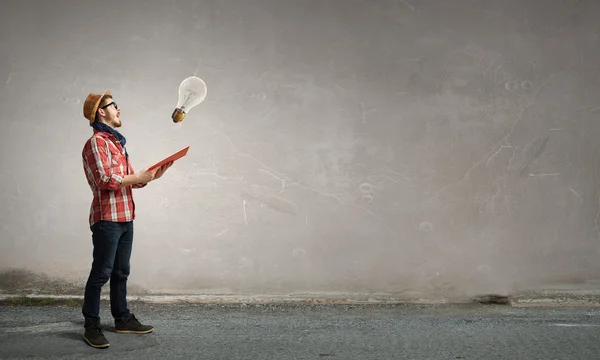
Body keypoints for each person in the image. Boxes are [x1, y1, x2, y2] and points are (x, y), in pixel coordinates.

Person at [80, 90, 173, 349]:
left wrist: (154, 176)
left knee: (121, 272)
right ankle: (91, 325)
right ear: (102, 111)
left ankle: (121, 319)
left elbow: (130, 182)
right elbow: (105, 179)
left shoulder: (116, 143)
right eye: (114, 106)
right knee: (101, 273)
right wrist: (139, 177)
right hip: (107, 218)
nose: (119, 110)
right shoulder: (97, 142)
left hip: (125, 216)